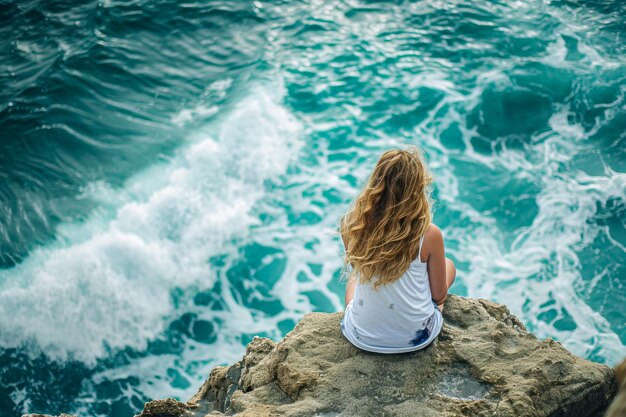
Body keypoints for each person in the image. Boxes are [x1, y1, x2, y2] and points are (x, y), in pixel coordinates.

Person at [339, 146, 456, 353]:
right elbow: (439, 296)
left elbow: (360, 268)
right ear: (418, 188)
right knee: (449, 266)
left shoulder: (351, 224)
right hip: (416, 338)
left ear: (375, 184)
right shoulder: (428, 234)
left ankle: (369, 319)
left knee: (355, 280)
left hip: (361, 337)